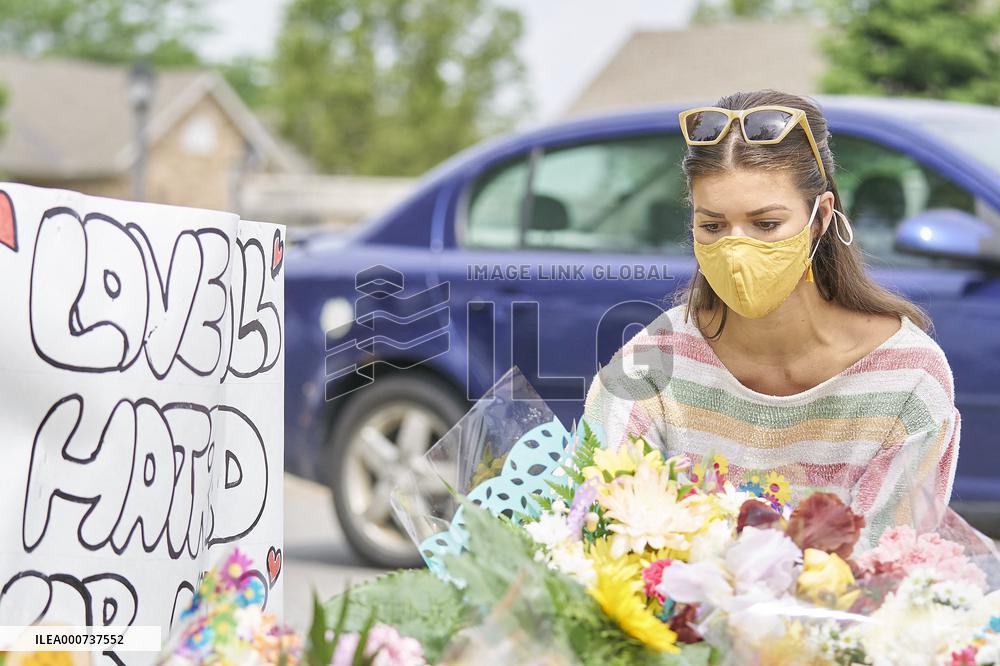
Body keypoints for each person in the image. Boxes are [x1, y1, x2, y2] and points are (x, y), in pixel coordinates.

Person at [582, 89, 960, 547]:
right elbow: (596, 531)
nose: (737, 251)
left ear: (820, 217)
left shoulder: (908, 380)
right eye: (713, 226)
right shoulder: (651, 365)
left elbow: (888, 572)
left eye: (766, 225)